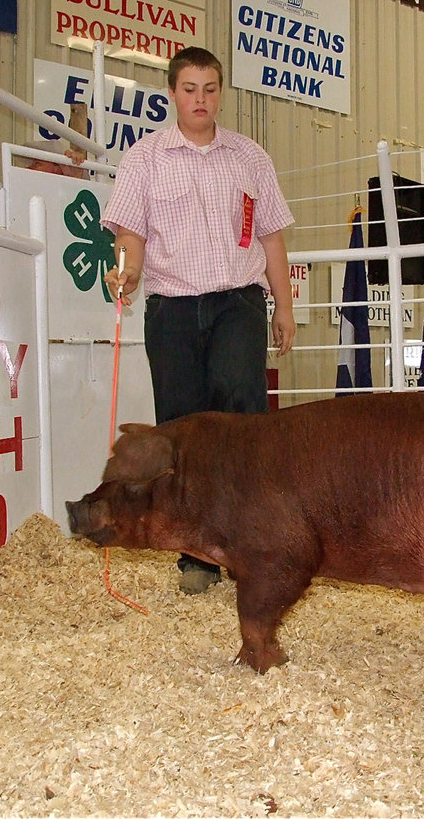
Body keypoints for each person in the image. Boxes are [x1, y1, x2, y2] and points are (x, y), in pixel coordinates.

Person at [100, 46, 296, 594]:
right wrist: (128, 274)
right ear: (172, 94)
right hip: (173, 307)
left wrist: (284, 305)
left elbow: (271, 236)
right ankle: (196, 555)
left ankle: (251, 545)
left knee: (241, 415)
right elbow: (129, 236)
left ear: (221, 93)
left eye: (210, 89)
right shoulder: (144, 159)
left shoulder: (250, 158)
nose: (200, 99)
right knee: (181, 426)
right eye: (190, 89)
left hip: (238, 302)